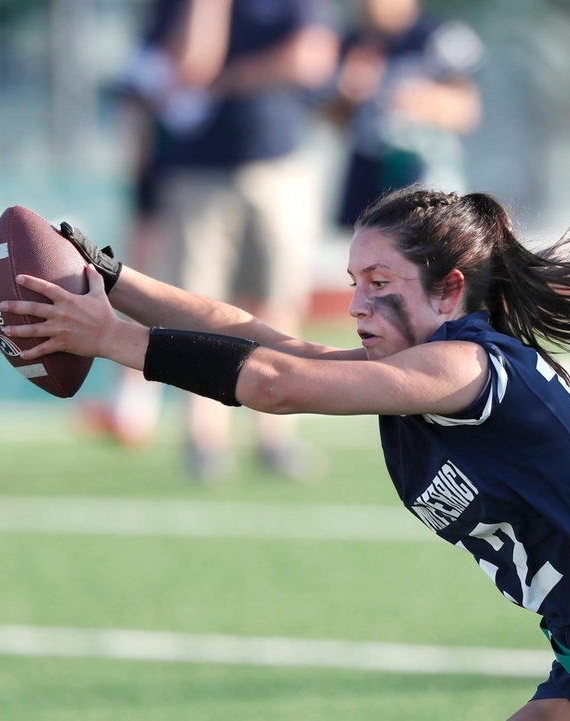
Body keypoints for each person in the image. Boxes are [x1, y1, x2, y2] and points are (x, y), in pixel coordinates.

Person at [0, 187, 570, 720]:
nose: (357, 304)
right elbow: (252, 335)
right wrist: (112, 277)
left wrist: (112, 340)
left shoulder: (470, 367)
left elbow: (272, 384)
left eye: (381, 282)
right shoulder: (413, 373)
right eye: (353, 281)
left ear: (448, 291)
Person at [91, 0, 338, 479]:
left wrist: (229, 79)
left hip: (275, 164)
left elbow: (310, 57)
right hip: (196, 175)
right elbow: (188, 69)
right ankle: (205, 438)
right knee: (196, 310)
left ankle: (275, 434)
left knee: (276, 300)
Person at [329, 0, 483, 227]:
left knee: (425, 245)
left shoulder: (440, 36)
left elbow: (468, 111)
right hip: (368, 166)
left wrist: (420, 100)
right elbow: (335, 119)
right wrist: (348, 93)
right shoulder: (354, 41)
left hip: (421, 165)